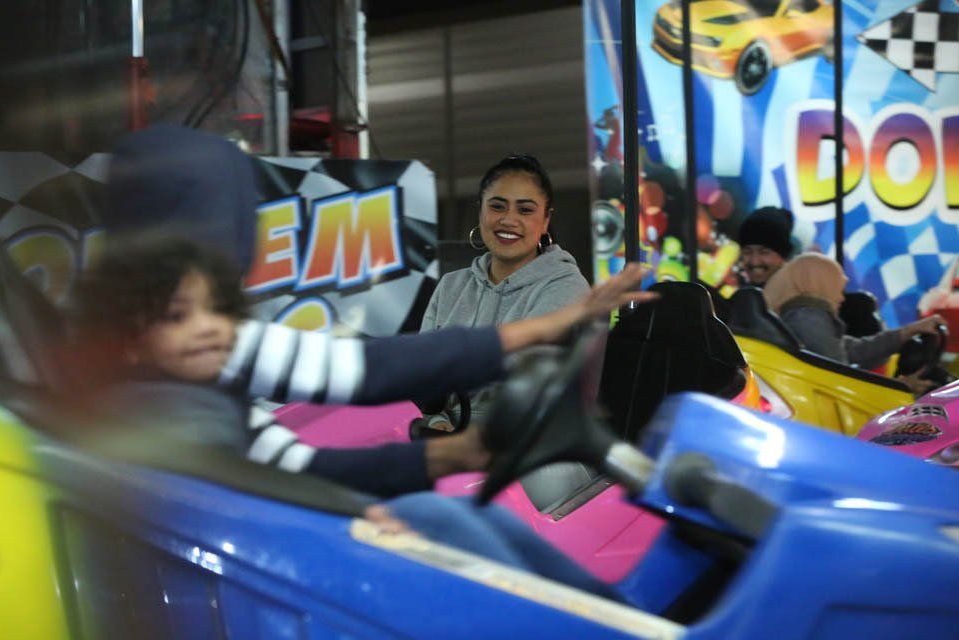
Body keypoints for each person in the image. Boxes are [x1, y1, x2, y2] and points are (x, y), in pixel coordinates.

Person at [71, 234, 645, 600]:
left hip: (255, 547)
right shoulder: (158, 413)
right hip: (240, 573)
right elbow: (280, 476)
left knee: (462, 513)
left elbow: (371, 373)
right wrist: (358, 508)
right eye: (178, 316)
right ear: (128, 341)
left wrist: (460, 452)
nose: (210, 328)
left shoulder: (211, 378)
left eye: (217, 311)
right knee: (437, 522)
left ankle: (615, 616)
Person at [418, 154, 591, 432]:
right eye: (497, 206)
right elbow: (421, 377)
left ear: (546, 220)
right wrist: (436, 422)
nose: (508, 220)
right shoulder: (451, 286)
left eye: (525, 210)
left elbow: (520, 376)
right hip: (453, 438)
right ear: (481, 212)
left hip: (537, 445)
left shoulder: (566, 287)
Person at [763, 253, 945, 378]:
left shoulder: (799, 316)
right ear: (818, 283)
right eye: (837, 288)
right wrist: (902, 386)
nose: (842, 298)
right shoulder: (807, 316)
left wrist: (909, 331)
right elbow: (838, 375)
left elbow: (854, 350)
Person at [737, 206, 795, 287]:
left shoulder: (799, 296)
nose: (754, 261)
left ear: (783, 256)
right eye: (748, 252)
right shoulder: (742, 296)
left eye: (764, 252)